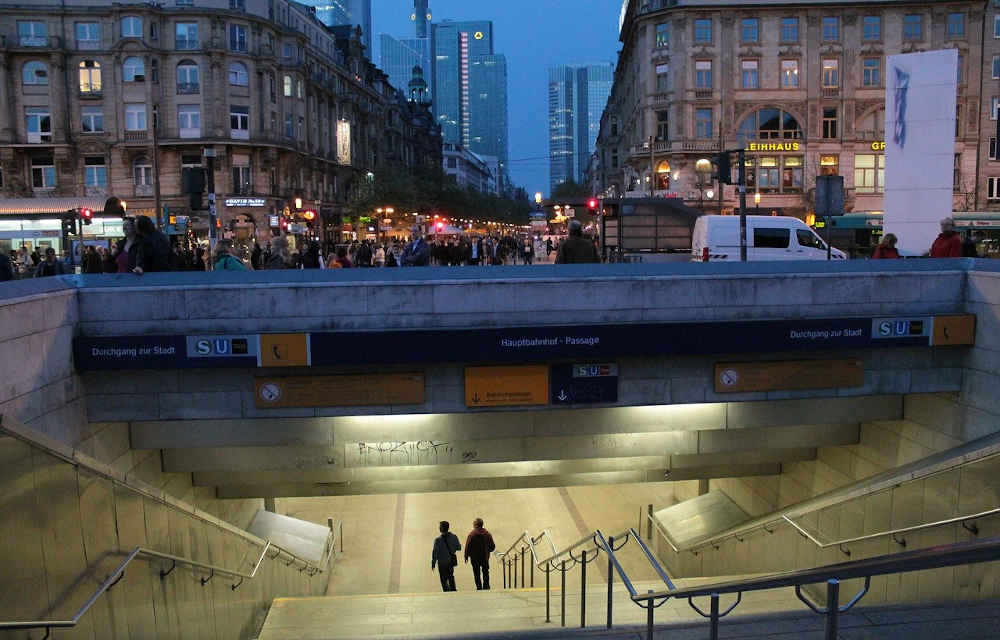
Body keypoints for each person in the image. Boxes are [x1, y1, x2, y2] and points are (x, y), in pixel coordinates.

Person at [464, 518, 496, 590]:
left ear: (475, 525)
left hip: (474, 557)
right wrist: (488, 551)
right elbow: (493, 546)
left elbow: (467, 546)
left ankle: (479, 587)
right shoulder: (487, 534)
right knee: (485, 571)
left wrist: (466, 556)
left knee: (476, 572)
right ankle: (486, 586)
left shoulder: (472, 534)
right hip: (484, 556)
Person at [431, 521, 462, 592]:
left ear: (441, 528)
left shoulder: (438, 540)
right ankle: (453, 589)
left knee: (443, 578)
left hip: (441, 563)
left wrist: (433, 563)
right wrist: (452, 548)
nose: (439, 528)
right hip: (450, 561)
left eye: (440, 526)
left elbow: (435, 552)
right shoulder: (454, 537)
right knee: (451, 576)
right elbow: (459, 547)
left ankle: (446, 592)